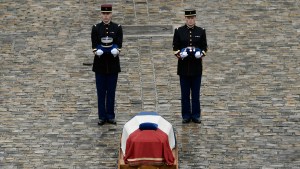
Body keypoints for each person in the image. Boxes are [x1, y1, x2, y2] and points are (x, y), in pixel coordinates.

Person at [172, 9, 208, 124]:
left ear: (195, 18)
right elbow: (175, 48)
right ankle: (186, 115)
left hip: (196, 68)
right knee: (185, 94)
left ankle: (196, 115)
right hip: (184, 68)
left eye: (192, 18)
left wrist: (201, 54)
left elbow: (205, 47)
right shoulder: (179, 31)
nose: (190, 20)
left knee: (196, 94)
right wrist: (181, 54)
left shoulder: (201, 31)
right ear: (185, 18)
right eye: (188, 18)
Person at [91, 4, 123, 125]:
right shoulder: (96, 28)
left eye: (108, 14)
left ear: (111, 14)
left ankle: (110, 115)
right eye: (104, 14)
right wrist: (96, 51)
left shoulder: (117, 27)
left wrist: (117, 51)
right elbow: (94, 45)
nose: (106, 16)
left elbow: (119, 43)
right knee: (100, 92)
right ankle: (101, 116)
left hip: (113, 65)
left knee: (111, 91)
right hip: (100, 65)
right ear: (101, 14)